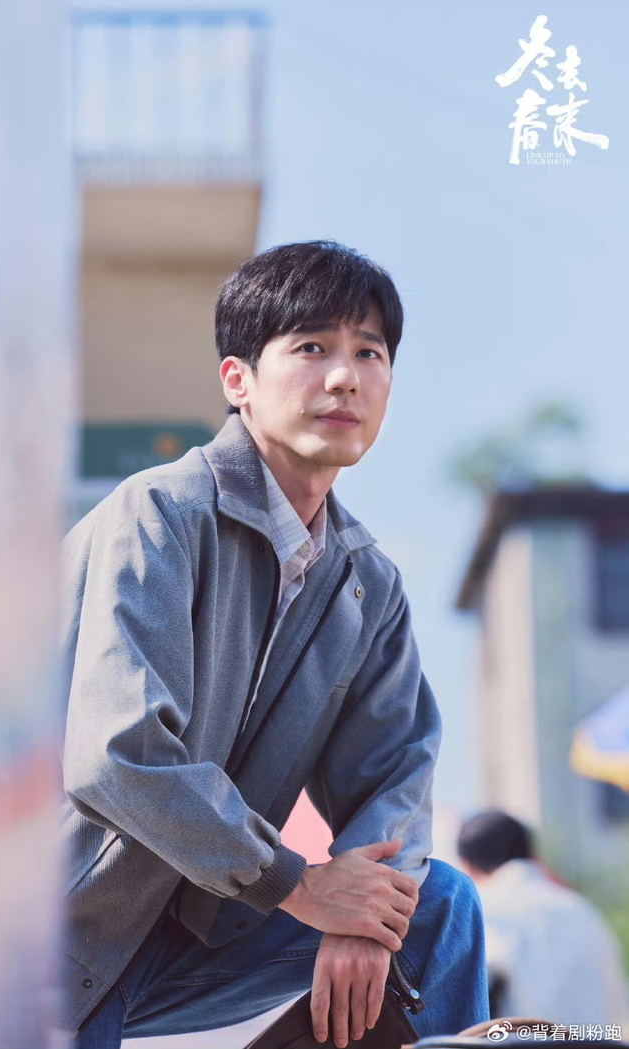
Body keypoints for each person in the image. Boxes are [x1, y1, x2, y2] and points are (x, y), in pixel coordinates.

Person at [59, 241, 489, 1048]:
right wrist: (299, 886)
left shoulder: (365, 582)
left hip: (191, 934)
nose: (345, 377)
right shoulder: (160, 515)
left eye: (370, 353)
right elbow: (116, 755)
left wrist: (365, 911)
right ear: (239, 380)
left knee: (435, 907)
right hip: (52, 935)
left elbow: (397, 770)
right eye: (313, 347)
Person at [457, 809, 629, 1025]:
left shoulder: (481, 910)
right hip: (601, 1039)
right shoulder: (584, 910)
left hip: (524, 1039)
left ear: (467, 865)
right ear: (531, 853)